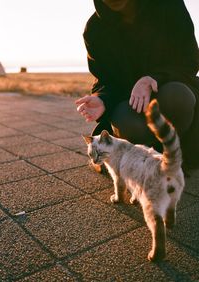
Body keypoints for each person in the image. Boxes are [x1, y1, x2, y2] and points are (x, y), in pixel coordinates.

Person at [75, 0, 199, 169]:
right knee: (124, 121)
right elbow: (105, 79)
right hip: (130, 101)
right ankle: (150, 159)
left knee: (177, 96)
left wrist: (153, 78)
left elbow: (189, 59)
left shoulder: (169, 5)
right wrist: (103, 99)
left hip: (173, 87)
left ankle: (177, 153)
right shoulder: (95, 30)